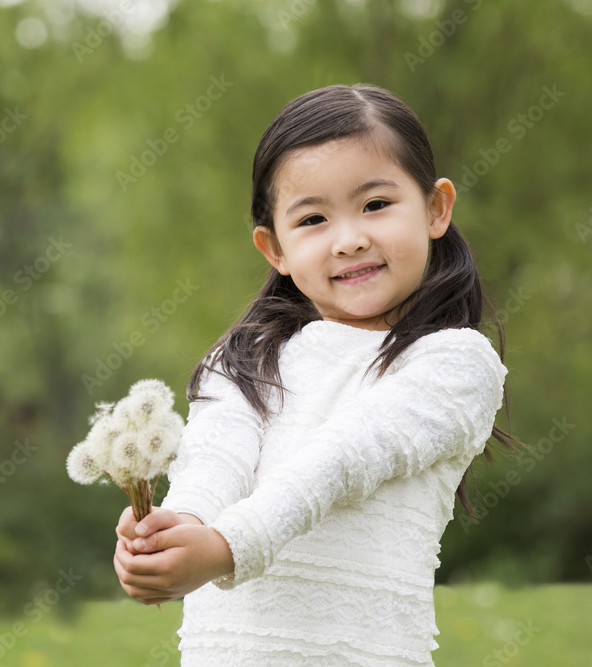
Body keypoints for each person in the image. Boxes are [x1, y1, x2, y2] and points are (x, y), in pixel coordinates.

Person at [113, 83, 518, 666]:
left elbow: (344, 458)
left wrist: (227, 547)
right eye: (313, 219)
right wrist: (179, 527)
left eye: (376, 205)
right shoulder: (244, 360)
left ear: (435, 209)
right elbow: (214, 458)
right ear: (273, 247)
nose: (350, 239)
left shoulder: (454, 363)